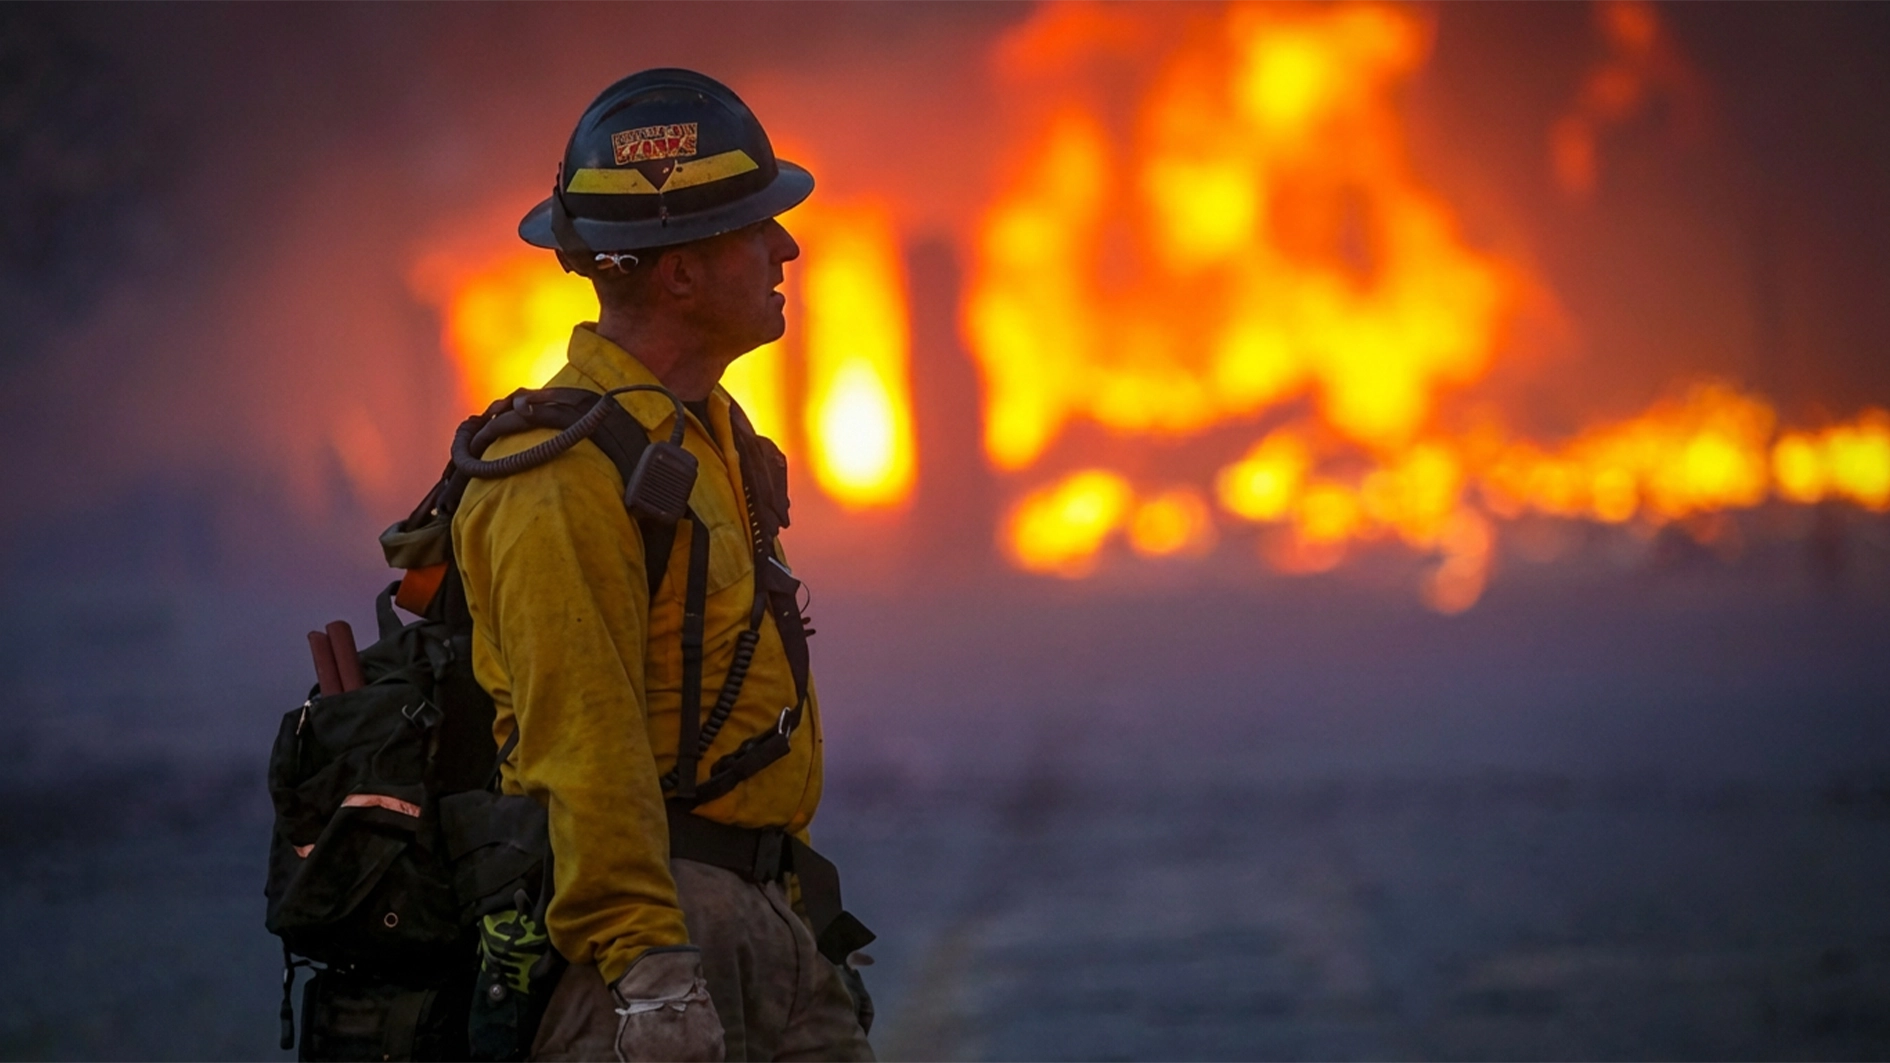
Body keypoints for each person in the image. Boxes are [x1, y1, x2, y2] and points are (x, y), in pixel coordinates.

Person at [451, 68, 875, 1063]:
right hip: (658, 941)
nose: (787, 246)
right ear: (678, 274)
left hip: (763, 918)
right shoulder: (558, 476)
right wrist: (647, 970)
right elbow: (580, 739)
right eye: (753, 226)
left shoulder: (706, 436)